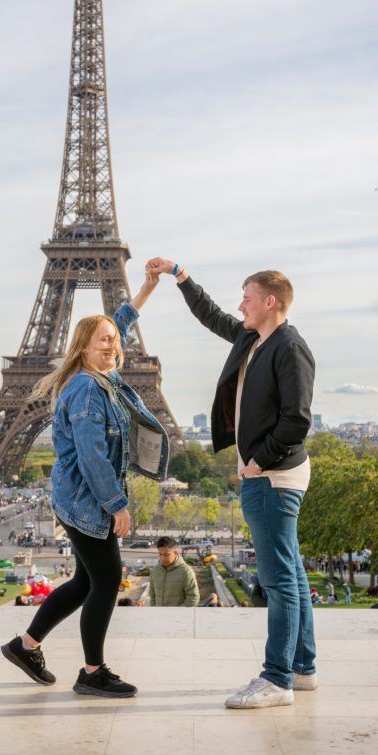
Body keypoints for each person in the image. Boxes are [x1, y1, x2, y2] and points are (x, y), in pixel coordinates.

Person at [147, 258, 316, 709]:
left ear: (270, 301)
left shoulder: (289, 347)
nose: (240, 304)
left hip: (273, 475)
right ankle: (302, 669)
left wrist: (258, 461)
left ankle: (276, 679)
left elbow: (297, 418)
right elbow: (212, 315)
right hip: (270, 472)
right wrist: (181, 276)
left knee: (278, 580)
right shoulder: (255, 339)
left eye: (246, 296)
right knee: (292, 575)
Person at [1, 273, 168, 698]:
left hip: (76, 498)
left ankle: (26, 645)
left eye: (114, 339)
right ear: (83, 347)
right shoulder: (88, 391)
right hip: (87, 501)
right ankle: (92, 671)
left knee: (85, 582)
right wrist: (118, 506)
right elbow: (94, 458)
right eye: (103, 341)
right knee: (107, 581)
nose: (112, 345)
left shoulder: (94, 375)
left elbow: (121, 321)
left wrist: (147, 286)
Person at [149, 536, 200, 607]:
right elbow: (152, 595)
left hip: (178, 617)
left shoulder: (186, 571)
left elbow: (193, 598)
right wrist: (155, 610)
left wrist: (176, 613)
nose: (163, 558)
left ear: (175, 553)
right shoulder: (155, 571)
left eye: (166, 555)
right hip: (158, 616)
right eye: (160, 554)